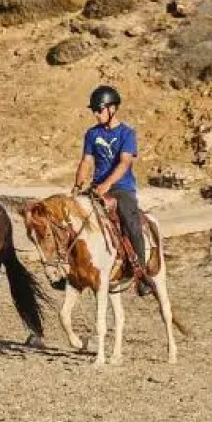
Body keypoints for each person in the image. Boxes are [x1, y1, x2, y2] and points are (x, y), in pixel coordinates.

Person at [74, 84, 153, 295]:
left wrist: (107, 185)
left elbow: (124, 163)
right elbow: (86, 161)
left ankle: (141, 274)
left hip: (121, 188)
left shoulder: (127, 133)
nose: (96, 114)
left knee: (131, 221)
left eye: (99, 110)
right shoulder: (91, 134)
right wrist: (78, 184)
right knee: (72, 219)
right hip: (97, 188)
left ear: (112, 109)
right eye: (94, 111)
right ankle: (71, 269)